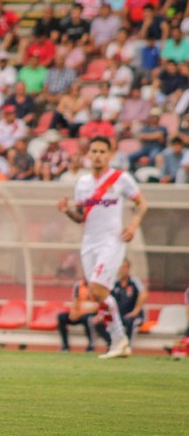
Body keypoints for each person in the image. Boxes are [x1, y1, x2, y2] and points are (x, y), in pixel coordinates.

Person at [57, 136, 148, 359]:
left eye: (101, 151)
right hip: (89, 242)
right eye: (94, 151)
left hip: (112, 241)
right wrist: (67, 211)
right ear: (88, 155)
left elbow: (142, 204)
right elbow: (81, 217)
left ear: (110, 154)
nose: (97, 155)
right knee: (98, 296)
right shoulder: (83, 183)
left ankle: (119, 339)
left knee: (98, 289)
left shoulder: (120, 179)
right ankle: (120, 343)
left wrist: (133, 225)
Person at [95, 259, 146, 348]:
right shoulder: (114, 283)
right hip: (118, 315)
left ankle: (127, 346)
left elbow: (143, 294)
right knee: (99, 324)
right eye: (121, 267)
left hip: (132, 315)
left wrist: (136, 311)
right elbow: (106, 299)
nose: (123, 270)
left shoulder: (134, 282)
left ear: (129, 269)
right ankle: (112, 345)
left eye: (125, 267)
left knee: (129, 322)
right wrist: (101, 314)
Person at [56, 278, 97, 352]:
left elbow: (98, 305)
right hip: (79, 313)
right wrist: (73, 312)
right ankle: (65, 346)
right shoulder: (78, 285)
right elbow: (75, 300)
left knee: (87, 319)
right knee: (61, 317)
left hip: (90, 314)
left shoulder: (98, 286)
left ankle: (91, 346)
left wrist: (82, 313)